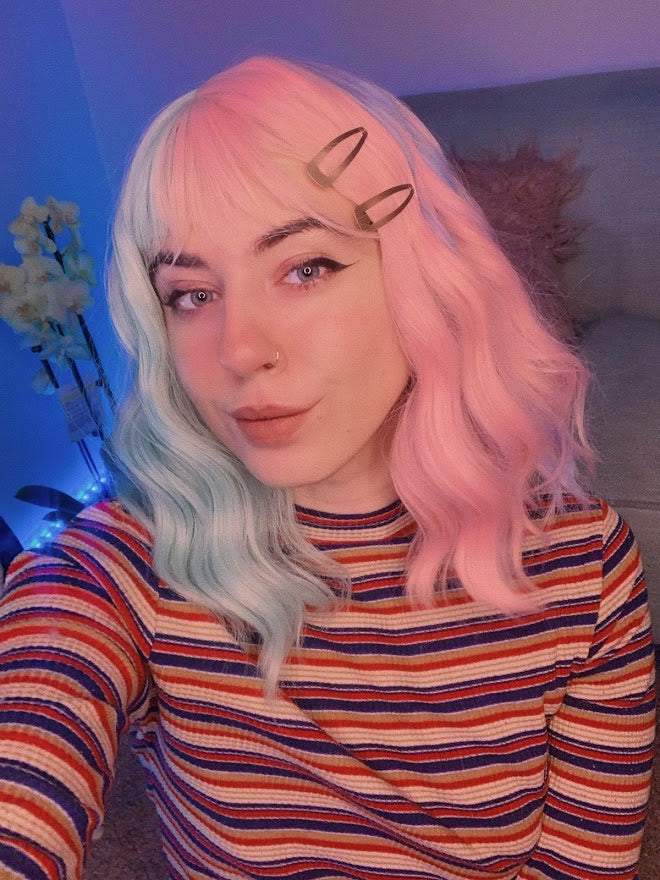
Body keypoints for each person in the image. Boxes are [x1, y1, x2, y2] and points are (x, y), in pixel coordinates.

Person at [0, 55, 655, 880]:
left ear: (423, 278)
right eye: (192, 295)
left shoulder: (583, 568)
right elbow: (44, 679)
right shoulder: (141, 554)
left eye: (306, 268)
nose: (240, 349)